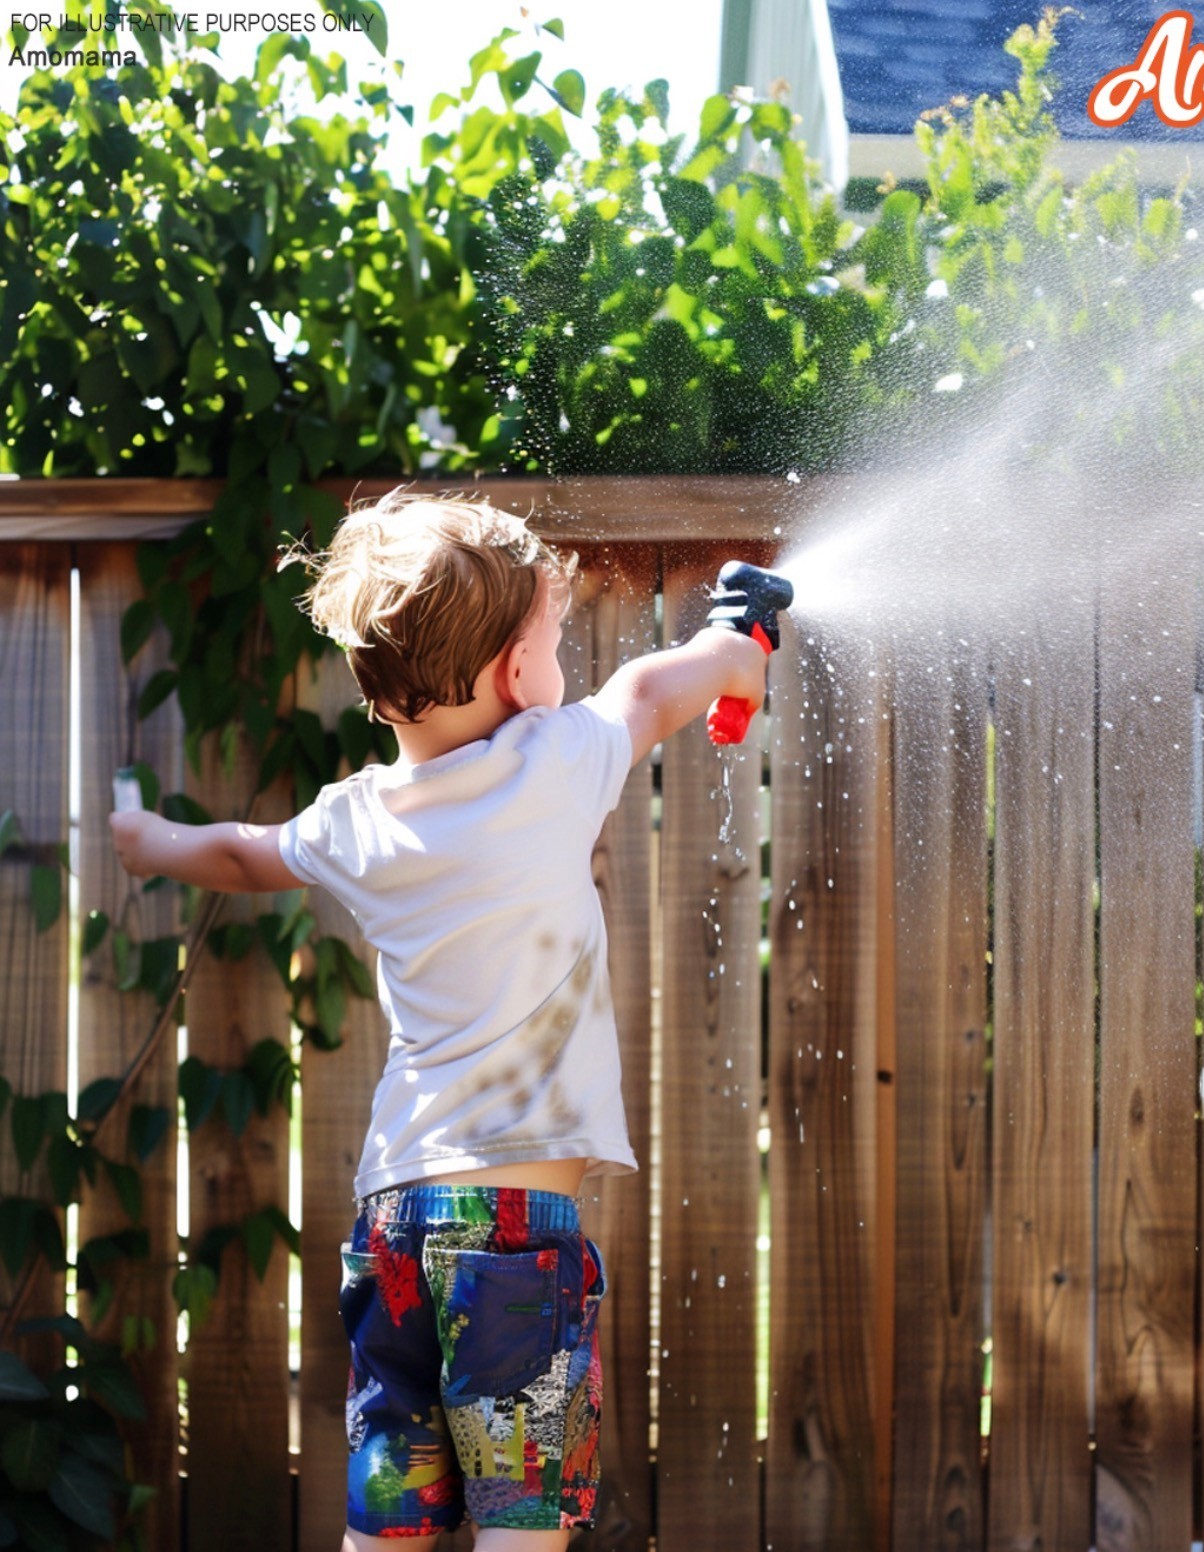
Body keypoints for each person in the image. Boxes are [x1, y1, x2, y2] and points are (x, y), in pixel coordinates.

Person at [110, 492, 772, 1552]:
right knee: (522, 1521)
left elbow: (241, 851)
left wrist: (149, 836)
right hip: (513, 1235)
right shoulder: (550, 764)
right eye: (553, 639)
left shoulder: (357, 820)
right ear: (517, 671)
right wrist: (735, 643)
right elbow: (653, 690)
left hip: (393, 1233)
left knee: (393, 1517)